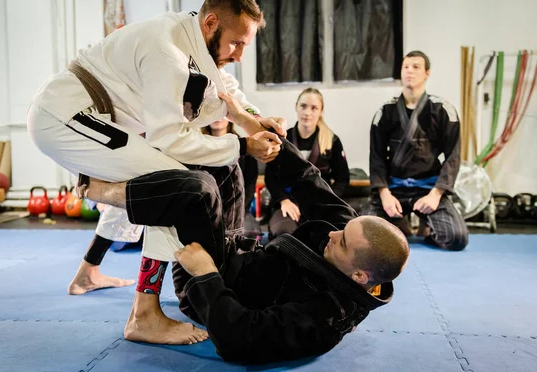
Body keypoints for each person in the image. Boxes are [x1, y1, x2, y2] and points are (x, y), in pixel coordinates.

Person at [27, 0, 286, 343]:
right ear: (212, 23)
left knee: (146, 181)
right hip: (65, 116)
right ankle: (144, 314)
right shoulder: (168, 50)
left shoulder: (197, 40)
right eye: (236, 43)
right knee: (174, 184)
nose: (240, 54)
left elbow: (224, 88)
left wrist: (256, 118)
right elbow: (170, 138)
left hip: (103, 120)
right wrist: (242, 144)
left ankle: (89, 267)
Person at [80, 127, 409, 364]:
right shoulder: (354, 239)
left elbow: (239, 340)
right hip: (242, 257)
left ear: (360, 277)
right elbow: (310, 183)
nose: (333, 235)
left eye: (342, 243)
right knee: (228, 168)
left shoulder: (322, 320)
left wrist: (205, 274)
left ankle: (97, 190)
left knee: (199, 191)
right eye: (343, 230)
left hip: (212, 289)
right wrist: (273, 144)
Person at [366, 50, 468, 251]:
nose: (409, 71)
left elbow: (453, 157)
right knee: (365, 235)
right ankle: (399, 222)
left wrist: (436, 194)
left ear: (427, 73)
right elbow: (376, 157)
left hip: (428, 189)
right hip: (394, 189)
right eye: (405, 67)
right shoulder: (386, 111)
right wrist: (384, 194)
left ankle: (426, 225)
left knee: (456, 238)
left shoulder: (442, 110)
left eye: (416, 67)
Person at [266, 88, 350, 237]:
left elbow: (342, 179)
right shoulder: (283, 139)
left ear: (321, 111)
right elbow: (270, 177)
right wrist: (284, 200)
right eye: (303, 106)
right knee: (284, 234)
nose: (307, 112)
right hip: (290, 205)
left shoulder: (332, 141)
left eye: (314, 108)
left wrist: (327, 201)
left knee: (325, 236)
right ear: (296, 107)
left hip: (320, 204)